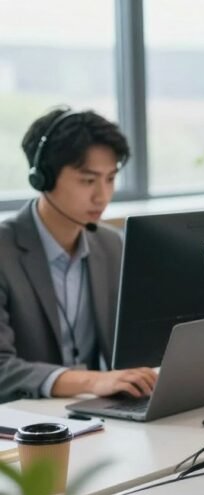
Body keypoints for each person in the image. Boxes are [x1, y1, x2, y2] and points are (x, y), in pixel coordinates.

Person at [0, 108, 158, 403]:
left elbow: (137, 347)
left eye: (110, 179)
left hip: (94, 414)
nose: (103, 196)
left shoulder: (111, 246)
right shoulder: (4, 252)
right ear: (42, 177)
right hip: (26, 424)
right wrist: (93, 381)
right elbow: (1, 369)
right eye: (88, 181)